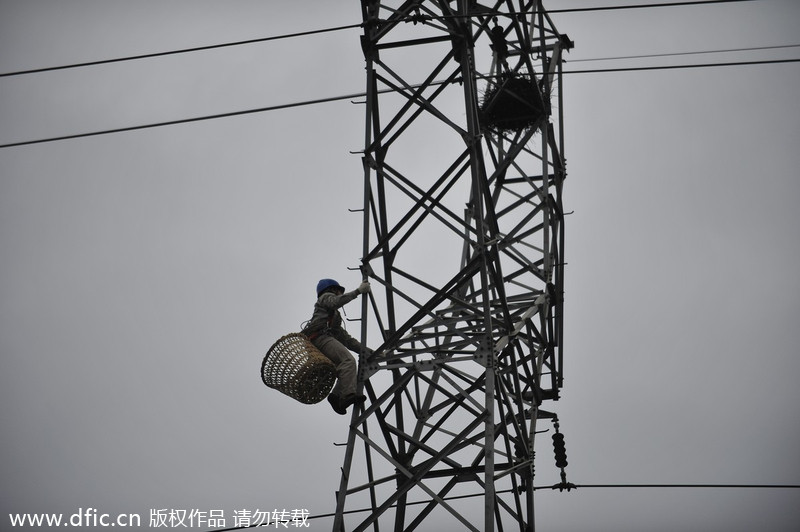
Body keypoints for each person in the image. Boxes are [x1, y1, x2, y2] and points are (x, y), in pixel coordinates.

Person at [302, 278, 371, 415]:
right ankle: (347, 395)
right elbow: (336, 302)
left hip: (321, 339)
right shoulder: (325, 298)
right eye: (339, 291)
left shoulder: (334, 316)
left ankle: (335, 396)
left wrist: (370, 352)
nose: (340, 294)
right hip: (319, 338)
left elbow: (346, 339)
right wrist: (357, 291)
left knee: (346, 368)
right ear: (333, 289)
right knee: (348, 361)